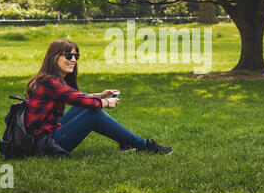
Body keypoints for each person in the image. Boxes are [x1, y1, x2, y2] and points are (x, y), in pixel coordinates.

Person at [24, 39, 173, 156]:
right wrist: (105, 102)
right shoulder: (51, 82)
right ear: (54, 57)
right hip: (44, 145)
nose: (74, 60)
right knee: (94, 114)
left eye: (76, 56)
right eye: (68, 55)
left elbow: (76, 98)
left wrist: (99, 96)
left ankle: (125, 141)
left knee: (86, 106)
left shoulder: (49, 80)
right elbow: (79, 99)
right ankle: (144, 145)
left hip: (41, 138)